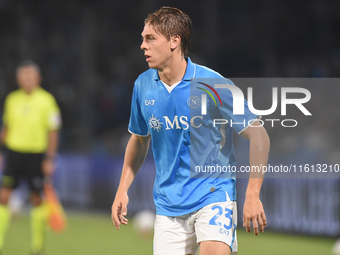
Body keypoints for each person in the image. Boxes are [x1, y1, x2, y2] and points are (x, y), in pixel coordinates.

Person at [111, 7, 270, 255]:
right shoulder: (143, 85)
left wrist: (252, 194)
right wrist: (122, 189)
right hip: (168, 204)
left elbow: (258, 134)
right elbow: (140, 139)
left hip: (214, 194)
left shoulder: (214, 84)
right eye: (143, 38)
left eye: (150, 38)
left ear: (175, 41)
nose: (143, 45)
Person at [0, 60, 62, 255]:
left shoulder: (47, 100)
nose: (27, 79)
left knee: (36, 199)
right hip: (14, 153)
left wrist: (49, 158)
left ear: (38, 79)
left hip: (36, 155)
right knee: (3, 197)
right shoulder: (11, 100)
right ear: (18, 79)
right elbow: (7, 128)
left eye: (30, 75)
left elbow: (53, 131)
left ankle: (37, 246)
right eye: (23, 75)